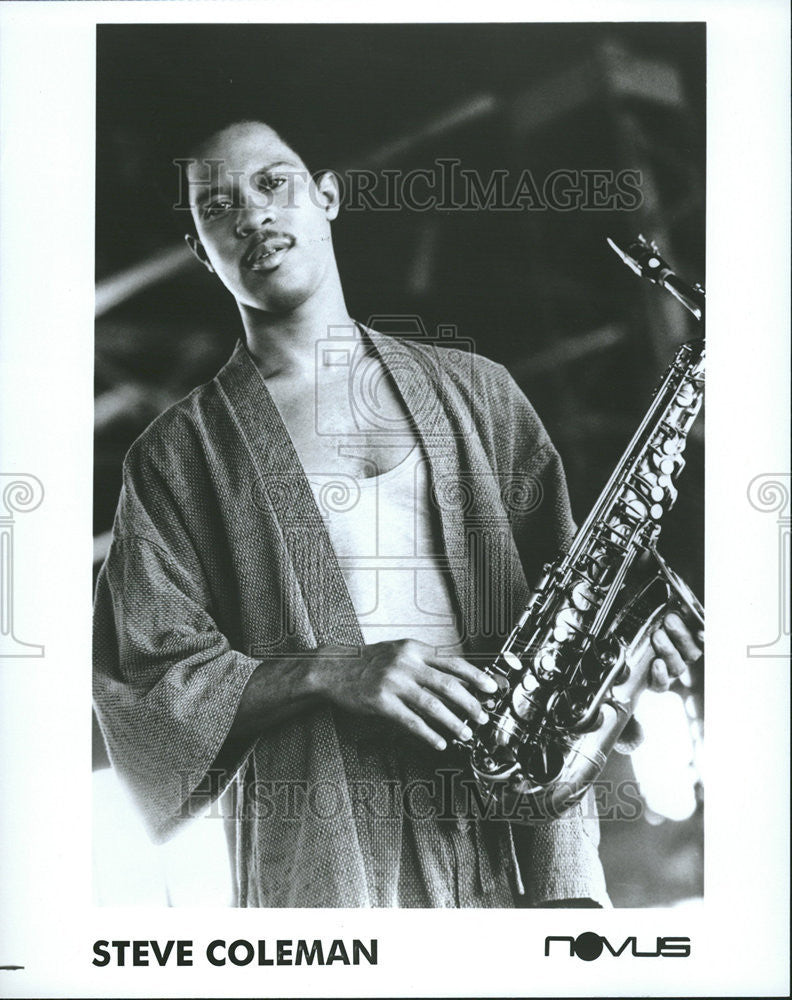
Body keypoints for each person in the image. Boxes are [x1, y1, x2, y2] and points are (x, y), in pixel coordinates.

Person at [92, 120, 703, 908]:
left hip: (525, 848)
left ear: (328, 198)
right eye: (218, 205)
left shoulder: (483, 393)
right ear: (203, 248)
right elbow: (143, 687)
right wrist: (330, 669)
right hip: (328, 864)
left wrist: (634, 644)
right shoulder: (177, 454)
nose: (251, 214)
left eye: (273, 182)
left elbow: (574, 606)